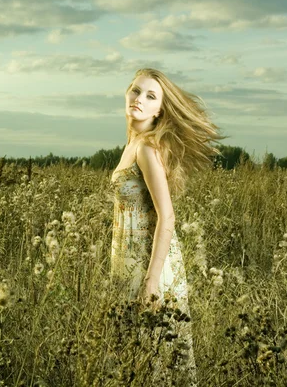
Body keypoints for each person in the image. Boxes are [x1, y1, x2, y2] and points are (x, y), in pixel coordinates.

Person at [109, 68, 227, 384]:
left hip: (150, 266)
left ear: (159, 109)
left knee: (154, 360)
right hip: (129, 262)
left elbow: (168, 216)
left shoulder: (147, 148)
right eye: (135, 90)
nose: (139, 99)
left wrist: (151, 281)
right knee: (135, 358)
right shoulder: (132, 145)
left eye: (150, 96)